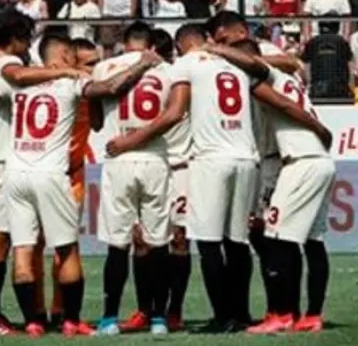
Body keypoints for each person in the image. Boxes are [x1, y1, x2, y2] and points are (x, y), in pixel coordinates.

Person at [106, 24, 324, 333]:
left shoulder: (185, 65)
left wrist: (130, 140)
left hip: (211, 159)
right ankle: (241, 312)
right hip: (246, 158)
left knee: (209, 243)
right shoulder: (235, 65)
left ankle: (222, 317)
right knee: (237, 242)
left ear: (181, 47)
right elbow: (278, 83)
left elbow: (174, 113)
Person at [4, 32, 158, 337]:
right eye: (78, 61)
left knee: (23, 250)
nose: (85, 68)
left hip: (17, 173)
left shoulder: (19, 83)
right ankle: (70, 320)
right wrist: (143, 63)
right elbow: (111, 87)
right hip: (53, 173)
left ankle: (34, 321)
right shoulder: (72, 84)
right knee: (66, 249)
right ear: (65, 57)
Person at [0, 10, 84, 334]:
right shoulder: (10, 65)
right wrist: (63, 70)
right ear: (15, 39)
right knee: (0, 242)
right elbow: (17, 74)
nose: (28, 46)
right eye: (26, 39)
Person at [230, 41, 334, 335]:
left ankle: (282, 313)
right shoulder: (291, 79)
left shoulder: (263, 80)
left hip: (299, 162)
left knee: (274, 237)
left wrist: (319, 127)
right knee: (313, 240)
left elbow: (285, 105)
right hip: (319, 160)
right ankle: (312, 315)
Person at [91, 22, 176, 335]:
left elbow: (96, 122)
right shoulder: (168, 70)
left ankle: (109, 318)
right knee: (158, 243)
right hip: (155, 158)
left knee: (118, 244)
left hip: (119, 159)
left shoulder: (103, 68)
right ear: (151, 44)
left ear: (125, 43)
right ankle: (158, 319)